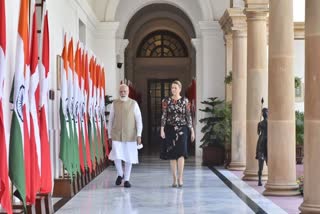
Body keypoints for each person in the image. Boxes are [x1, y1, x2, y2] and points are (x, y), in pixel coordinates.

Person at [160, 80, 195, 187]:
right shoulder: (166, 101)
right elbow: (164, 115)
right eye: (172, 88)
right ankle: (174, 179)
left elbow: (188, 116)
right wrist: (162, 129)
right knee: (172, 154)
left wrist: (192, 131)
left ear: (180, 89)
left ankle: (180, 178)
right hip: (170, 129)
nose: (173, 90)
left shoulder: (185, 101)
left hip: (182, 129)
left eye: (175, 88)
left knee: (181, 153)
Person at [108, 84, 143, 188]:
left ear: (128, 92)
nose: (123, 93)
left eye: (125, 91)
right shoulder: (115, 103)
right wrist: (109, 135)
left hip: (130, 135)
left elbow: (139, 120)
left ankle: (127, 179)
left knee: (129, 157)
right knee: (116, 156)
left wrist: (139, 135)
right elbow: (110, 120)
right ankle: (120, 174)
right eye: (121, 91)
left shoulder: (134, 103)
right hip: (116, 134)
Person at [255, 108, 268, 186]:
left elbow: (258, 132)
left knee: (261, 161)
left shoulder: (260, 123)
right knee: (261, 160)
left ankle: (260, 179)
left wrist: (259, 125)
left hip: (262, 140)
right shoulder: (261, 123)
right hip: (264, 141)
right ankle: (259, 179)